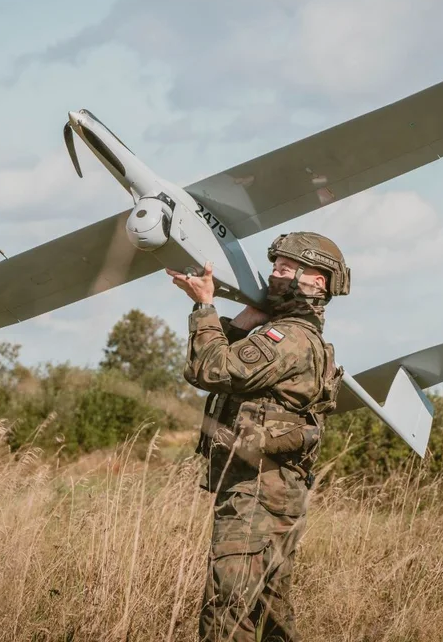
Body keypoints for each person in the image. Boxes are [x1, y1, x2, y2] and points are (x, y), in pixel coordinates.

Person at [165, 232, 350, 642]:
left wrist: (205, 306)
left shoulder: (287, 340)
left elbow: (209, 370)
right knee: (269, 615)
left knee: (227, 611)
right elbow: (226, 370)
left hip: (257, 496)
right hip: (273, 493)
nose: (273, 276)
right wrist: (248, 316)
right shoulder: (291, 335)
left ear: (316, 281)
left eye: (284, 269)